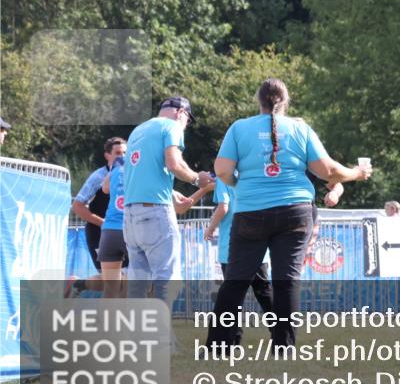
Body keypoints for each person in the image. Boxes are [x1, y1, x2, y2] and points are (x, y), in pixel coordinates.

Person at [210, 79, 371, 349]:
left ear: (257, 100)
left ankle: (217, 346)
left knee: (235, 282)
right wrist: (357, 172)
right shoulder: (300, 129)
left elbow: (223, 171)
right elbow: (328, 171)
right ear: (286, 101)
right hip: (295, 212)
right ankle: (283, 347)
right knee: (286, 280)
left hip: (251, 211)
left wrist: (242, 185)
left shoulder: (239, 128)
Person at [123, 97, 213, 310]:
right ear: (180, 112)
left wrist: (171, 193)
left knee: (137, 282)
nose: (186, 125)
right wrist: (195, 178)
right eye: (187, 120)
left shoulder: (138, 130)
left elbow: (137, 173)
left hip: (131, 215)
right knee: (167, 279)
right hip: (155, 213)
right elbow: (174, 163)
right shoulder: (171, 126)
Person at [204, 176, 272, 337]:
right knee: (264, 293)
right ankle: (282, 333)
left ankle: (232, 338)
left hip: (232, 246)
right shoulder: (254, 172)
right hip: (258, 244)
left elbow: (223, 206)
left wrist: (210, 227)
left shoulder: (223, 175)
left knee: (232, 296)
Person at [65, 136, 128, 297]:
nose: (123, 157)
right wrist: (103, 222)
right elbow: (77, 206)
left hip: (124, 232)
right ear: (107, 155)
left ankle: (78, 284)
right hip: (99, 233)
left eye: (126, 153)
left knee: (126, 279)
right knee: (114, 281)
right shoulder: (98, 177)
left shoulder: (130, 175)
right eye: (118, 153)